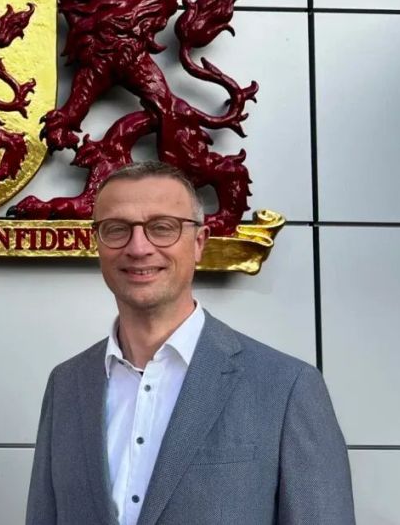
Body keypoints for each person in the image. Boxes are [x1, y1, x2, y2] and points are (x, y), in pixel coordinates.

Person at [26, 161, 354, 525]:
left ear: (199, 243)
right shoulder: (67, 385)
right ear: (97, 245)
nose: (138, 247)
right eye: (116, 229)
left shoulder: (286, 387)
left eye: (162, 228)